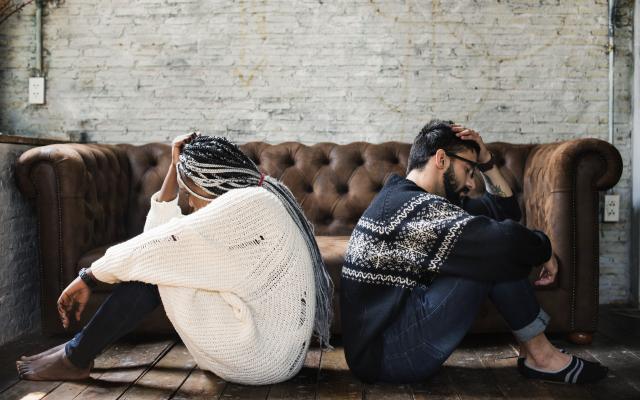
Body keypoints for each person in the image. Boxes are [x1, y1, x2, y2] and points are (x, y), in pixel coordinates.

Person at [16, 133, 333, 385]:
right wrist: (174, 166)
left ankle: (76, 356)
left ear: (211, 184)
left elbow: (159, 244)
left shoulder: (248, 207)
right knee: (163, 259)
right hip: (272, 355)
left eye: (190, 192)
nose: (191, 204)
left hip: (257, 359)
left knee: (159, 265)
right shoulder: (257, 198)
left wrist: (89, 276)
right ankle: (77, 351)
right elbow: (159, 237)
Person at [340, 120, 608, 384]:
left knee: (489, 242)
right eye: (468, 170)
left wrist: (486, 161)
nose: (470, 183)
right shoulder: (413, 208)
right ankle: (541, 356)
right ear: (441, 159)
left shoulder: (412, 200)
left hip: (389, 343)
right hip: (387, 358)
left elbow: (506, 212)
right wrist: (544, 247)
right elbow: (505, 239)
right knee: (492, 251)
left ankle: (536, 353)